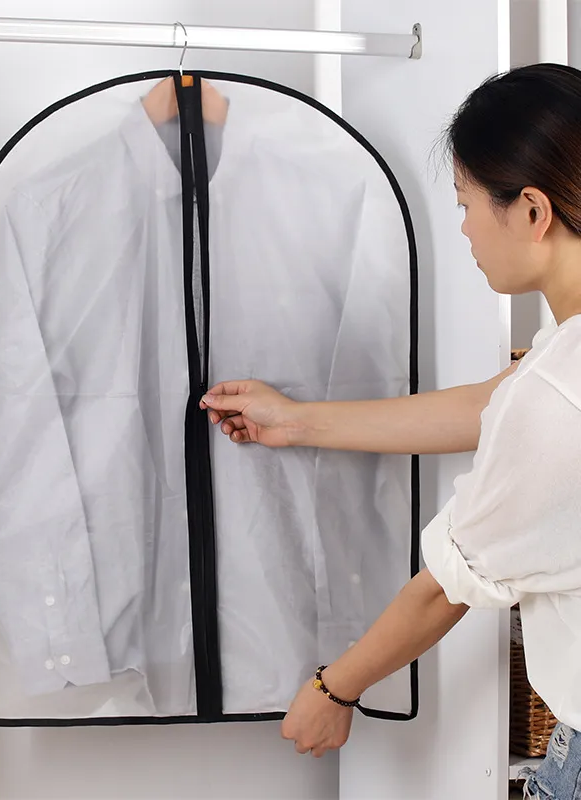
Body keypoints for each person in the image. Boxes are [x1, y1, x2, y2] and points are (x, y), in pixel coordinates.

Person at [200, 63, 581, 799]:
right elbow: (491, 404)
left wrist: (333, 688)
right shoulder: (558, 370)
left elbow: (443, 590)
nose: (464, 229)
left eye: (467, 204)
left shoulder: (556, 395)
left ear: (532, 210)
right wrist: (296, 420)